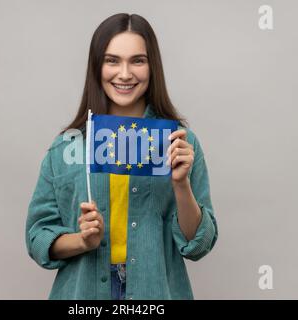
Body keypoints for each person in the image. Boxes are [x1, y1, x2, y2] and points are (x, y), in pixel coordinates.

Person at [25, 13, 218, 300]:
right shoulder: (67, 147)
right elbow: (37, 236)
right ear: (97, 66)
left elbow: (198, 245)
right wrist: (82, 240)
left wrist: (180, 184)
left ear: (152, 67)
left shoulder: (181, 143)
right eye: (112, 60)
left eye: (137, 60)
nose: (125, 74)